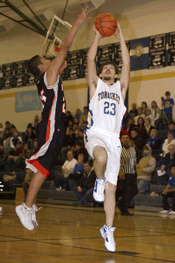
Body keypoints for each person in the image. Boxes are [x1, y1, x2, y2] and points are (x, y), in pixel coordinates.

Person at [15, 7, 91, 231]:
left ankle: (29, 205)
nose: (49, 60)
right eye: (45, 59)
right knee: (43, 167)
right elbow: (65, 50)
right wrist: (77, 22)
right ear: (41, 66)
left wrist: (59, 58)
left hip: (53, 126)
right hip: (51, 126)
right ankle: (26, 206)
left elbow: (63, 62)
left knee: (44, 168)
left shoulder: (47, 76)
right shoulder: (48, 74)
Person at [84, 22, 130, 252]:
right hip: (95, 134)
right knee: (99, 158)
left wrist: (121, 36)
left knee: (112, 190)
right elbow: (90, 60)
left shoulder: (120, 89)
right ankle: (98, 179)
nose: (109, 69)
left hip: (114, 139)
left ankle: (108, 230)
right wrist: (97, 37)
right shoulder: (96, 85)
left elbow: (127, 63)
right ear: (102, 73)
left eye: (112, 67)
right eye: (107, 68)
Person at [118, 134, 137, 216]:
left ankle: (121, 203)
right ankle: (124, 210)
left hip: (132, 173)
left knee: (135, 191)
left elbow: (135, 160)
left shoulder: (133, 149)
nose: (125, 139)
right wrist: (119, 171)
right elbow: (114, 162)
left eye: (127, 138)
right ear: (121, 140)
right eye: (123, 138)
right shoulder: (118, 150)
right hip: (124, 174)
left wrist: (136, 165)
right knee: (127, 192)